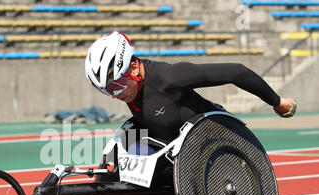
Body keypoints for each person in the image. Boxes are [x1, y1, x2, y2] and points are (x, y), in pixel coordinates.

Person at [85, 31, 297, 143]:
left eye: (117, 85)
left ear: (133, 68)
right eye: (107, 90)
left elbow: (237, 71)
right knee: (120, 144)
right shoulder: (130, 90)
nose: (115, 95)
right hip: (175, 146)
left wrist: (277, 102)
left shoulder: (170, 77)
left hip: (218, 139)